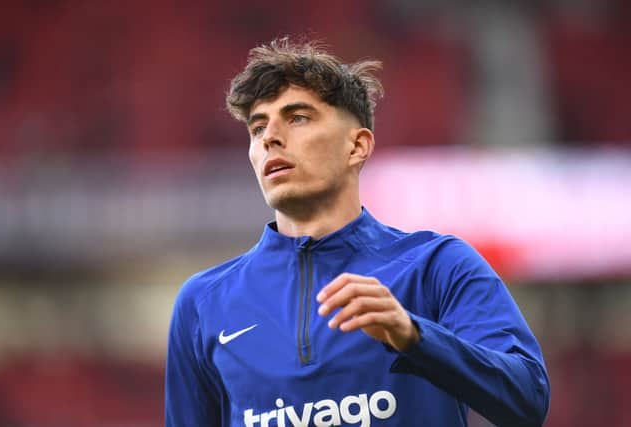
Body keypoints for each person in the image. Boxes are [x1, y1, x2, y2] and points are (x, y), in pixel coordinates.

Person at [165, 37, 550, 427]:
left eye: (297, 117)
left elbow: (527, 397)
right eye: (258, 126)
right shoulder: (202, 302)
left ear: (357, 147)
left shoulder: (438, 265)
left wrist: (414, 336)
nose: (270, 137)